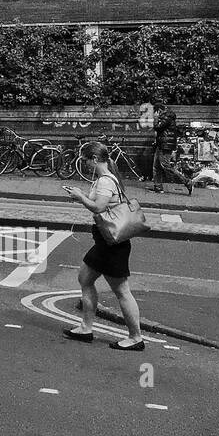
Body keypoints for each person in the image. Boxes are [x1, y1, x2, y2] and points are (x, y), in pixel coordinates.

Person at [62, 141, 146, 351]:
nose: (85, 164)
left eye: (85, 160)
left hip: (112, 245)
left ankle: (136, 338)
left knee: (122, 291)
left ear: (95, 159)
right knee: (84, 278)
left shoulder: (106, 182)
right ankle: (85, 328)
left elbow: (99, 207)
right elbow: (97, 202)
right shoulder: (102, 180)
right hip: (104, 242)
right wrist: (79, 195)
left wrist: (80, 197)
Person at [150, 101, 191, 195]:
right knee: (156, 166)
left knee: (166, 166)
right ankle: (158, 187)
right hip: (161, 144)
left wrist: (156, 119)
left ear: (159, 110)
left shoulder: (167, 117)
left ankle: (186, 181)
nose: (154, 114)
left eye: (155, 112)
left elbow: (157, 127)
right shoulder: (165, 116)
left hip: (166, 145)